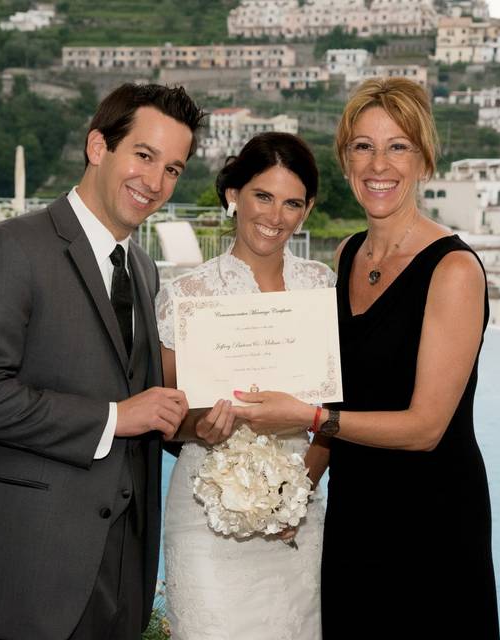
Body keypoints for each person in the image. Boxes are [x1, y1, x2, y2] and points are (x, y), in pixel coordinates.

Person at [0, 83, 204, 640]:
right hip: (30, 571)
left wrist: (205, 424)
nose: (155, 183)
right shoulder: (11, 247)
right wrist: (112, 418)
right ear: (98, 146)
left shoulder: (146, 270)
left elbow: (143, 404)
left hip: (121, 575)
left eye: (173, 169)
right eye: (144, 156)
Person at [232, 78, 500, 637]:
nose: (379, 164)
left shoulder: (454, 271)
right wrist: (295, 491)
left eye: (398, 146)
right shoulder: (348, 253)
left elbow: (426, 427)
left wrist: (304, 419)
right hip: (357, 514)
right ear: (346, 159)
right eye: (363, 146)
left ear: (424, 158)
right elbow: (338, 391)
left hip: (432, 519)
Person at [154, 132, 335, 639]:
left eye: (292, 203)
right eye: (263, 196)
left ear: (307, 211)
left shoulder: (321, 286)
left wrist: (296, 492)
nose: (275, 216)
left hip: (298, 513)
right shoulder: (183, 296)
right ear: (234, 194)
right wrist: (202, 427)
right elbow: (171, 420)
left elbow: (332, 409)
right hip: (205, 515)